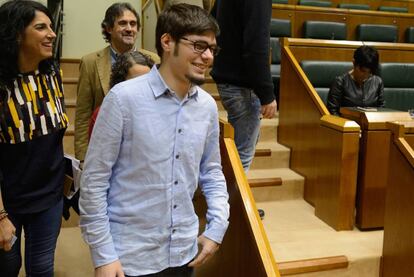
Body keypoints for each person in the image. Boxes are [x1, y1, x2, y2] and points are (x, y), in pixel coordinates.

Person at [79, 3, 229, 277]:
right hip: (129, 258)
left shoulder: (206, 106)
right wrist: (103, 254)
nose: (207, 56)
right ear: (167, 41)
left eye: (212, 49)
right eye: (198, 46)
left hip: (185, 251)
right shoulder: (124, 99)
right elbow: (94, 181)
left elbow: (211, 171)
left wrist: (218, 226)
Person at [0, 1, 68, 276]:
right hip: (8, 201)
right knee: (7, 266)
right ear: (16, 34)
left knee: (42, 267)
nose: (52, 33)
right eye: (41, 27)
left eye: (51, 27)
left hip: (49, 196)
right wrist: (1, 216)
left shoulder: (53, 76)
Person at [75, 2, 159, 162]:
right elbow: (83, 114)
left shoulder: (154, 60)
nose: (129, 28)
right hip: (104, 149)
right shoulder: (90, 62)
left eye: (133, 24)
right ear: (108, 28)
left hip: (144, 149)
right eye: (122, 23)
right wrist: (83, 158)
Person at [211, 0, 277, 172]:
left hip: (227, 79)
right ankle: (228, 200)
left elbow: (210, 21)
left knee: (235, 156)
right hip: (242, 86)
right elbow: (256, 45)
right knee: (240, 162)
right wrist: (266, 93)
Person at [88, 51, 154, 138]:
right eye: (135, 83)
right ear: (120, 83)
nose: (142, 88)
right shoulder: (104, 113)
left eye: (146, 81)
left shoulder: (159, 109)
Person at [327, 45, 385, 116]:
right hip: (347, 124)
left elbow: (382, 109)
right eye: (362, 71)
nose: (365, 75)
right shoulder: (340, 82)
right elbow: (333, 112)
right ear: (354, 62)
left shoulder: (378, 81)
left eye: (369, 73)